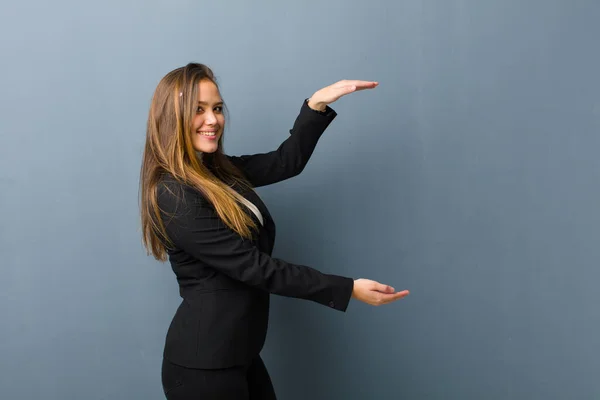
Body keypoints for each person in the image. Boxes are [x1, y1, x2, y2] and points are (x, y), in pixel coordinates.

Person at [139, 62, 410, 399]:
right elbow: (255, 268)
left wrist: (317, 105)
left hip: (238, 353)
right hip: (204, 367)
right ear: (172, 117)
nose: (213, 120)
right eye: (198, 110)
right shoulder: (174, 194)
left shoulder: (216, 172)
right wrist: (347, 288)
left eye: (217, 108)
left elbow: (285, 162)